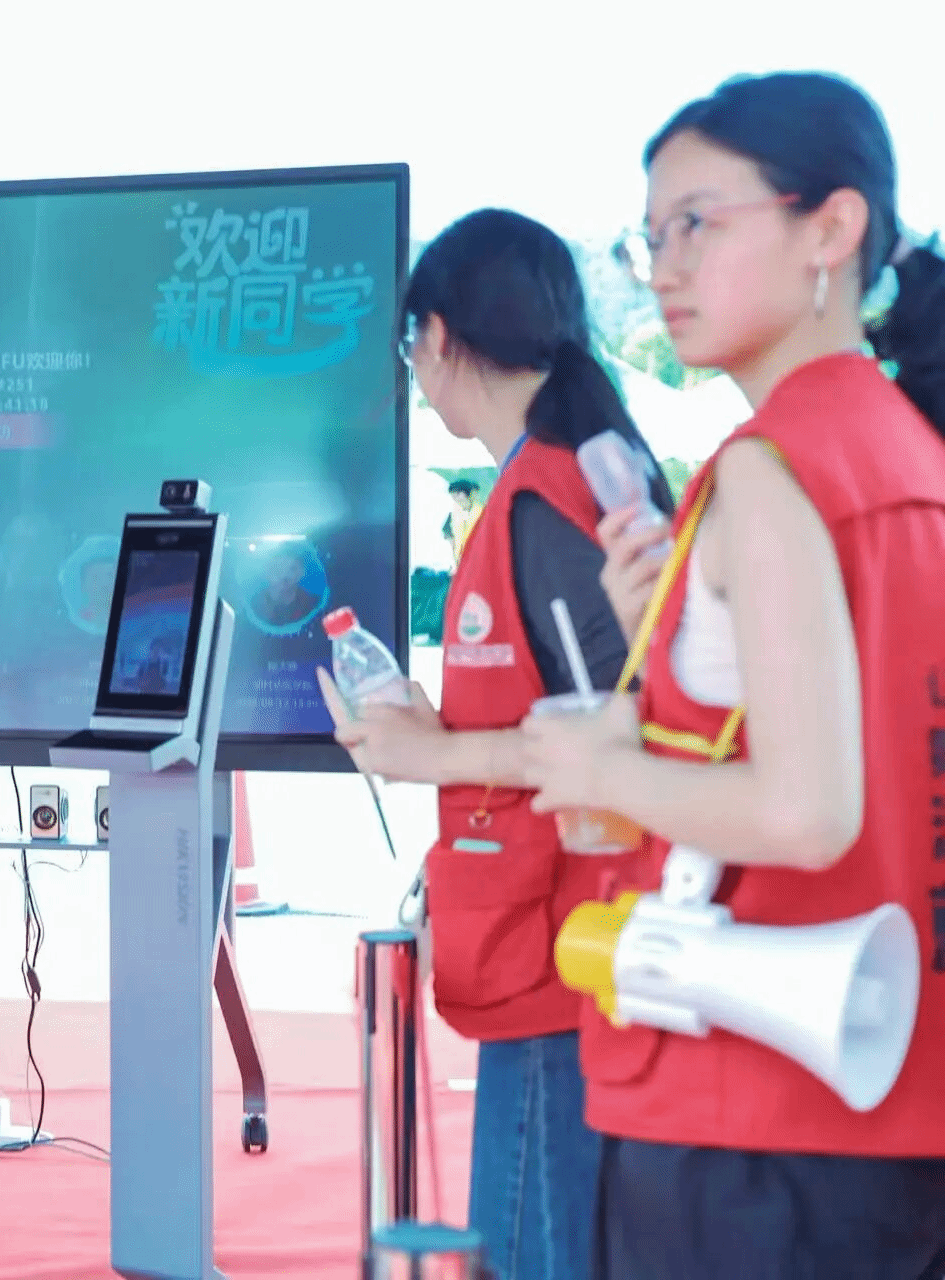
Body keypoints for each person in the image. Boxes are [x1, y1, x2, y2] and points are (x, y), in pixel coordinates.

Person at [519, 72, 945, 1278]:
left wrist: (600, 763)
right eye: (650, 236)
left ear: (831, 227)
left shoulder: (770, 469)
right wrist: (665, 637)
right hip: (891, 1102)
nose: (663, 267)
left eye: (697, 223)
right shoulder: (909, 454)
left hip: (745, 1111)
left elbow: (807, 810)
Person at [315, 207, 674, 1280]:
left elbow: (625, 737)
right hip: (545, 940)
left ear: (435, 336)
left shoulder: (550, 494)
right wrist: (436, 730)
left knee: (534, 1251)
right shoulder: (551, 477)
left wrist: (434, 757)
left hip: (568, 951)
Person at [249, 545, 319, 630]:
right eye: (278, 567)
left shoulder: (313, 604)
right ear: (266, 571)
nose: (285, 574)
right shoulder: (253, 607)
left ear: (301, 572)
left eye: (292, 568)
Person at [442, 478, 482, 566]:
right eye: (453, 494)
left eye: (458, 493)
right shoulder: (452, 515)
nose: (455, 497)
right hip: (460, 561)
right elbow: (448, 538)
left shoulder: (482, 513)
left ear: (467, 493)